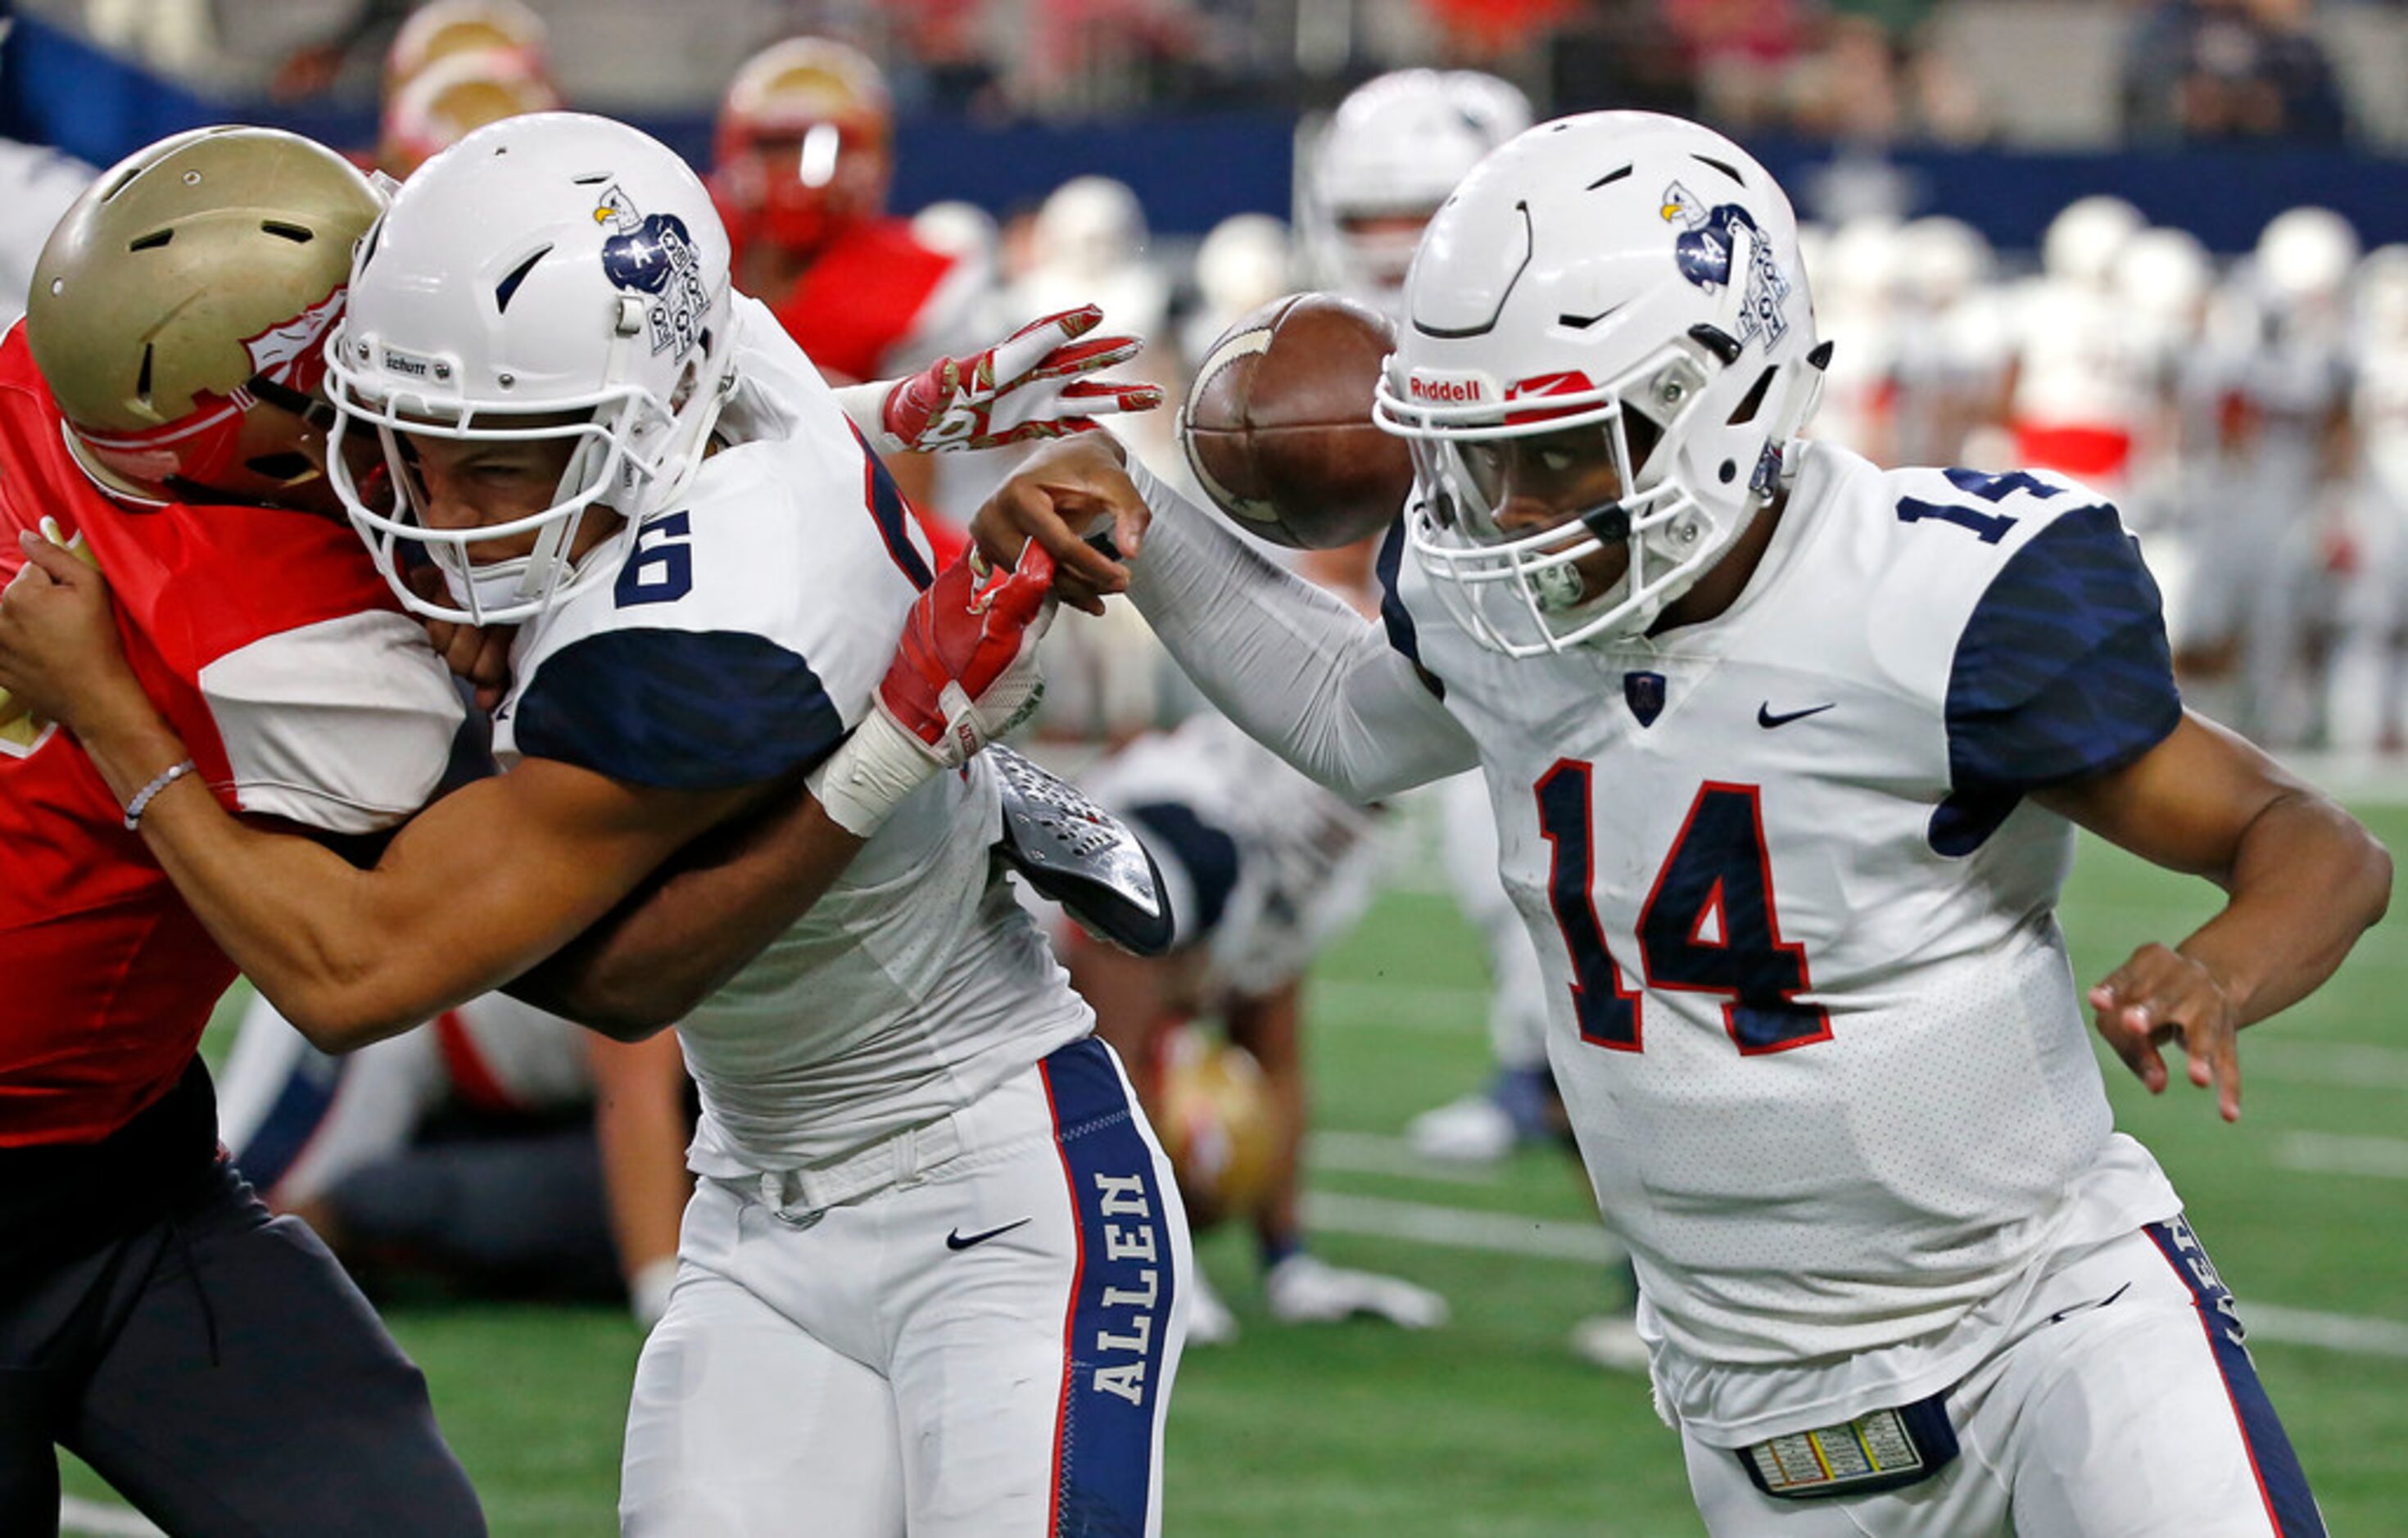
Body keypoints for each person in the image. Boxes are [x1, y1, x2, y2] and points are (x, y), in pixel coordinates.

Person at [975, 110, 2389, 1535]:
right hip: (1753, 1395)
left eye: (1562, 448)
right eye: (1480, 453)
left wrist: (2219, 967)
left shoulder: (1937, 604)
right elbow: (1350, 719)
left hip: (2049, 1320)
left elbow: (2310, 841)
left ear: (1720, 396)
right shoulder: (1493, 589)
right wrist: (1143, 526)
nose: (1507, 509)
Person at [0, 111, 1187, 1538]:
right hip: (753, 1202)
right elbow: (737, 407)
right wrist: (891, 418)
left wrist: (891, 738)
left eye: (484, 459)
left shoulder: (711, 609)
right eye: (405, 441)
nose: (429, 508)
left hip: (994, 1183)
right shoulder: (624, 355)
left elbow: (586, 975)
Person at [0, 124, 484, 1537]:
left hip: (125, 1184)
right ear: (259, 438)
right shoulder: (294, 642)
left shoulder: (63, 361)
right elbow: (362, 975)